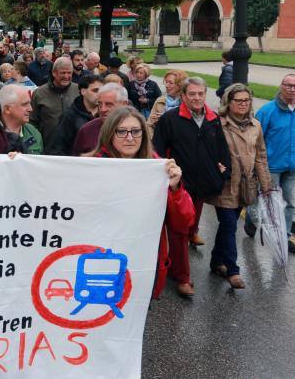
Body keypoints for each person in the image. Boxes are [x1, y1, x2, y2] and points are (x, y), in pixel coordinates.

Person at [87, 106, 194, 299]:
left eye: (136, 131)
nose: (130, 138)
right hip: (101, 256)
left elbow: (183, 223)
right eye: (121, 131)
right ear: (109, 134)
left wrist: (175, 190)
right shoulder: (90, 167)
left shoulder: (161, 169)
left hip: (143, 260)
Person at [153, 77, 230, 297]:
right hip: (179, 186)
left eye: (201, 93)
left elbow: (222, 149)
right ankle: (183, 277)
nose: (197, 98)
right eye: (192, 94)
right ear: (183, 96)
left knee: (189, 230)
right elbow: (158, 151)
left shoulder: (213, 119)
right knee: (180, 231)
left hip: (202, 186)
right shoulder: (170, 119)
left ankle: (174, 266)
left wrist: (223, 173)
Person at [249, 73, 295, 254]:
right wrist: (259, 163)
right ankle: (251, 220)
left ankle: (284, 238)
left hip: (293, 167)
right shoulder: (268, 110)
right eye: (288, 85)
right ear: (281, 86)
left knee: (289, 202)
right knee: (268, 202)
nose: (292, 89)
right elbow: (255, 138)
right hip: (272, 166)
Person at [215, 84, 271, 289]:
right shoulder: (218, 124)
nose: (243, 104)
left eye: (246, 100)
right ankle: (233, 270)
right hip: (225, 185)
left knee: (226, 226)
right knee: (230, 225)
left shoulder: (256, 125)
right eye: (238, 100)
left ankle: (216, 261)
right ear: (228, 102)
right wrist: (218, 167)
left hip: (246, 185)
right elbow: (209, 152)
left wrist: (266, 183)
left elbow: (260, 156)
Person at [30, 57, 80, 154]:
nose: (66, 76)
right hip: (47, 150)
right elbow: (32, 122)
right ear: (54, 73)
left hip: (73, 151)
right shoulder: (39, 93)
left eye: (69, 73)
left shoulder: (78, 91)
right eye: (63, 73)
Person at [71, 82, 129, 156]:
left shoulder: (138, 129)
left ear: (124, 104)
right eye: (100, 104)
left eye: (109, 104)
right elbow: (76, 160)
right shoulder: (87, 130)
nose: (102, 109)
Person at [53, 74, 102, 155]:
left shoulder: (106, 114)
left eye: (102, 91)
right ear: (83, 91)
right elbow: (59, 147)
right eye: (95, 90)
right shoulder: (69, 116)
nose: (99, 94)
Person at [0, 84, 43, 154]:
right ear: (7, 109)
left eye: (29, 104)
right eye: (24, 104)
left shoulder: (33, 133)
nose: (30, 109)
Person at [147, 69, 187, 136]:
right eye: (166, 82)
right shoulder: (160, 101)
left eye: (171, 83)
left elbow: (189, 126)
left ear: (180, 85)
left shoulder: (187, 103)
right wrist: (153, 140)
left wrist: (166, 118)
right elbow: (149, 125)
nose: (166, 85)